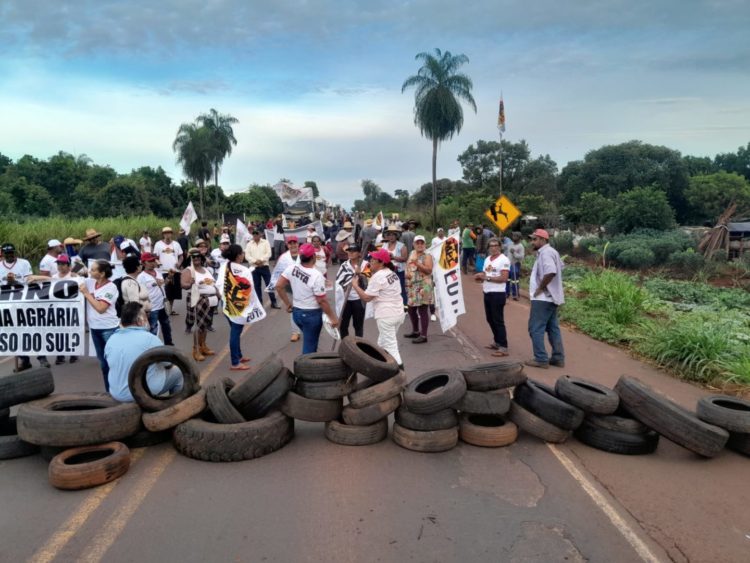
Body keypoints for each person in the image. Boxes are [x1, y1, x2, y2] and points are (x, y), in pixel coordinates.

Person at [105, 302, 184, 403]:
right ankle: (176, 406)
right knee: (179, 371)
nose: (147, 318)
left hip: (116, 393)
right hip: (140, 392)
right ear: (140, 320)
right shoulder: (150, 339)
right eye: (145, 315)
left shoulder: (111, 339)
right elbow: (167, 364)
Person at [276, 243, 338, 354]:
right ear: (313, 257)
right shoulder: (316, 275)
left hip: (297, 313)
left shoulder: (292, 268)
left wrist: (288, 304)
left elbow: (279, 286)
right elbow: (322, 300)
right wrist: (333, 318)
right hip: (311, 315)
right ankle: (305, 369)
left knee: (309, 342)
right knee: (309, 349)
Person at [351, 249, 405, 369]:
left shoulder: (378, 276)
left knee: (391, 346)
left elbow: (366, 297)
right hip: (398, 314)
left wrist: (355, 285)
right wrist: (360, 275)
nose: (370, 262)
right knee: (382, 343)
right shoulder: (391, 272)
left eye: (373, 260)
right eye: (370, 259)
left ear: (381, 263)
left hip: (387, 316)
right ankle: (382, 369)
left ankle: (401, 374)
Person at [1, 243, 50, 371]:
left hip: (24, 301)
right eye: (7, 254)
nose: (9, 256)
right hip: (7, 304)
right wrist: (7, 282)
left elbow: (29, 280)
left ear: (15, 252)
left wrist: (15, 282)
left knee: (33, 329)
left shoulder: (24, 263)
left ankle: (42, 358)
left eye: (11, 253)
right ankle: (25, 360)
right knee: (14, 333)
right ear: (3, 254)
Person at [526, 229, 565, 369]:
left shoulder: (546, 253)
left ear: (543, 240)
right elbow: (561, 266)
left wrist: (540, 288)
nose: (532, 242)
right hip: (551, 297)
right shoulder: (551, 252)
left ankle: (541, 359)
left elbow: (551, 272)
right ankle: (558, 358)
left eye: (535, 239)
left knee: (535, 328)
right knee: (552, 328)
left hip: (543, 298)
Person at [80, 260, 120, 390]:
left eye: (93, 270)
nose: (89, 272)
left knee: (113, 362)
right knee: (103, 363)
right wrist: (38, 277)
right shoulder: (91, 282)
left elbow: (101, 308)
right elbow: (67, 278)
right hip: (95, 328)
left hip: (109, 328)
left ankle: (119, 389)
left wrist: (86, 293)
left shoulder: (111, 287)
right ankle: (109, 391)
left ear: (102, 274)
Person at [181, 247, 219, 362]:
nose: (196, 259)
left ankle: (203, 346)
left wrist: (218, 294)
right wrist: (189, 284)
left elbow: (213, 284)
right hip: (199, 300)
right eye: (193, 257)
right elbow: (183, 284)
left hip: (211, 300)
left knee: (205, 325)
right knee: (199, 326)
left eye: (198, 256)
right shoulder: (188, 270)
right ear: (190, 259)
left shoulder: (206, 270)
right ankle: (196, 349)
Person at [475, 238, 511, 357]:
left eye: (496, 245)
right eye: (491, 246)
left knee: (498, 320)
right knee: (490, 319)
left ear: (500, 247)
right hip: (487, 292)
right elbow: (487, 274)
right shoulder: (487, 259)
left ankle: (503, 346)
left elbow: (504, 278)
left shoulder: (504, 260)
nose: (493, 248)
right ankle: (497, 341)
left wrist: (487, 278)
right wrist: (481, 276)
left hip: (498, 293)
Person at [221, 244, 253, 370]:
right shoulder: (243, 270)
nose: (243, 254)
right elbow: (250, 288)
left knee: (236, 331)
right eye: (242, 252)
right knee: (235, 332)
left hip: (226, 304)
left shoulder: (224, 266)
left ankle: (238, 356)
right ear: (239, 255)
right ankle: (235, 362)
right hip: (238, 305)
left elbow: (219, 285)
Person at [137, 252, 173, 345]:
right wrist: (144, 310)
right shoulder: (141, 277)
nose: (153, 263)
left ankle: (169, 345)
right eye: (150, 261)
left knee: (166, 326)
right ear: (144, 263)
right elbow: (140, 293)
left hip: (162, 305)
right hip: (152, 307)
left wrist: (169, 277)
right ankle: (153, 349)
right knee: (153, 329)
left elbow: (164, 284)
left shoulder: (158, 272)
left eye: (154, 260)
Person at [404, 235, 434, 344]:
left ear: (425, 245)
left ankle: (424, 335)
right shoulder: (412, 253)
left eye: (422, 243)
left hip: (423, 285)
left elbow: (429, 270)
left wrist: (418, 264)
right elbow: (408, 266)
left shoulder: (427, 256)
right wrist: (407, 274)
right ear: (414, 244)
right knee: (411, 309)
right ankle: (416, 331)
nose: (420, 245)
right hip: (412, 285)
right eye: (418, 243)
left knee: (422, 310)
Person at [335, 244, 367, 339]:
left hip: (358, 299)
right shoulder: (344, 265)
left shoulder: (365, 265)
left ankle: (359, 346)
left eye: (353, 251)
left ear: (359, 253)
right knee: (343, 325)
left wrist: (360, 274)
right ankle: (345, 345)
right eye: (349, 251)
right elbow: (338, 281)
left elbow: (368, 283)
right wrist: (344, 286)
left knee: (358, 325)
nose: (350, 253)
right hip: (346, 300)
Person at [274, 235, 302, 342]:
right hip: (290, 288)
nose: (293, 245)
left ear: (298, 243)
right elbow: (278, 273)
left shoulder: (303, 254)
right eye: (290, 243)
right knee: (293, 309)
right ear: (287, 245)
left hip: (304, 287)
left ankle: (306, 329)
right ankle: (295, 332)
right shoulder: (283, 258)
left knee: (306, 309)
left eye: (294, 242)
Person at [245, 230, 280, 309]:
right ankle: (259, 303)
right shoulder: (249, 244)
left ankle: (273, 302)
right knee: (257, 286)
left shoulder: (265, 242)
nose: (255, 236)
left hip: (264, 266)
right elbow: (247, 256)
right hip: (254, 267)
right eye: (254, 234)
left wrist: (261, 260)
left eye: (257, 234)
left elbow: (269, 253)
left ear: (260, 234)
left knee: (269, 284)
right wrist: (255, 261)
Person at [153, 226, 183, 315]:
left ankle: (170, 309)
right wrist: (158, 262)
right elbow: (154, 257)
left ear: (171, 234)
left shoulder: (176, 244)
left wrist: (179, 263)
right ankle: (163, 309)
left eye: (169, 232)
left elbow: (181, 256)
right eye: (165, 233)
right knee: (165, 291)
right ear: (163, 234)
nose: (167, 234)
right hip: (163, 271)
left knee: (173, 292)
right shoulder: (158, 244)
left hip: (174, 271)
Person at [383, 225, 407, 308]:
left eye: (393, 235)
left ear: (397, 235)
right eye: (389, 235)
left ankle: (404, 306)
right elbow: (381, 257)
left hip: (399, 271)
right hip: (387, 271)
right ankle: (392, 305)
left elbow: (404, 258)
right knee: (388, 289)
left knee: (401, 289)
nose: (391, 237)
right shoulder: (384, 245)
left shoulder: (402, 246)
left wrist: (394, 257)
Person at [507, 232, 525, 300]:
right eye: (513, 235)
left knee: (515, 280)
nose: (513, 237)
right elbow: (507, 253)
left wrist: (514, 252)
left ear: (519, 238)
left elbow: (521, 257)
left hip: (515, 264)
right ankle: (507, 293)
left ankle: (515, 295)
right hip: (508, 264)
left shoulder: (521, 246)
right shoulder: (510, 244)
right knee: (507, 279)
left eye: (515, 236)